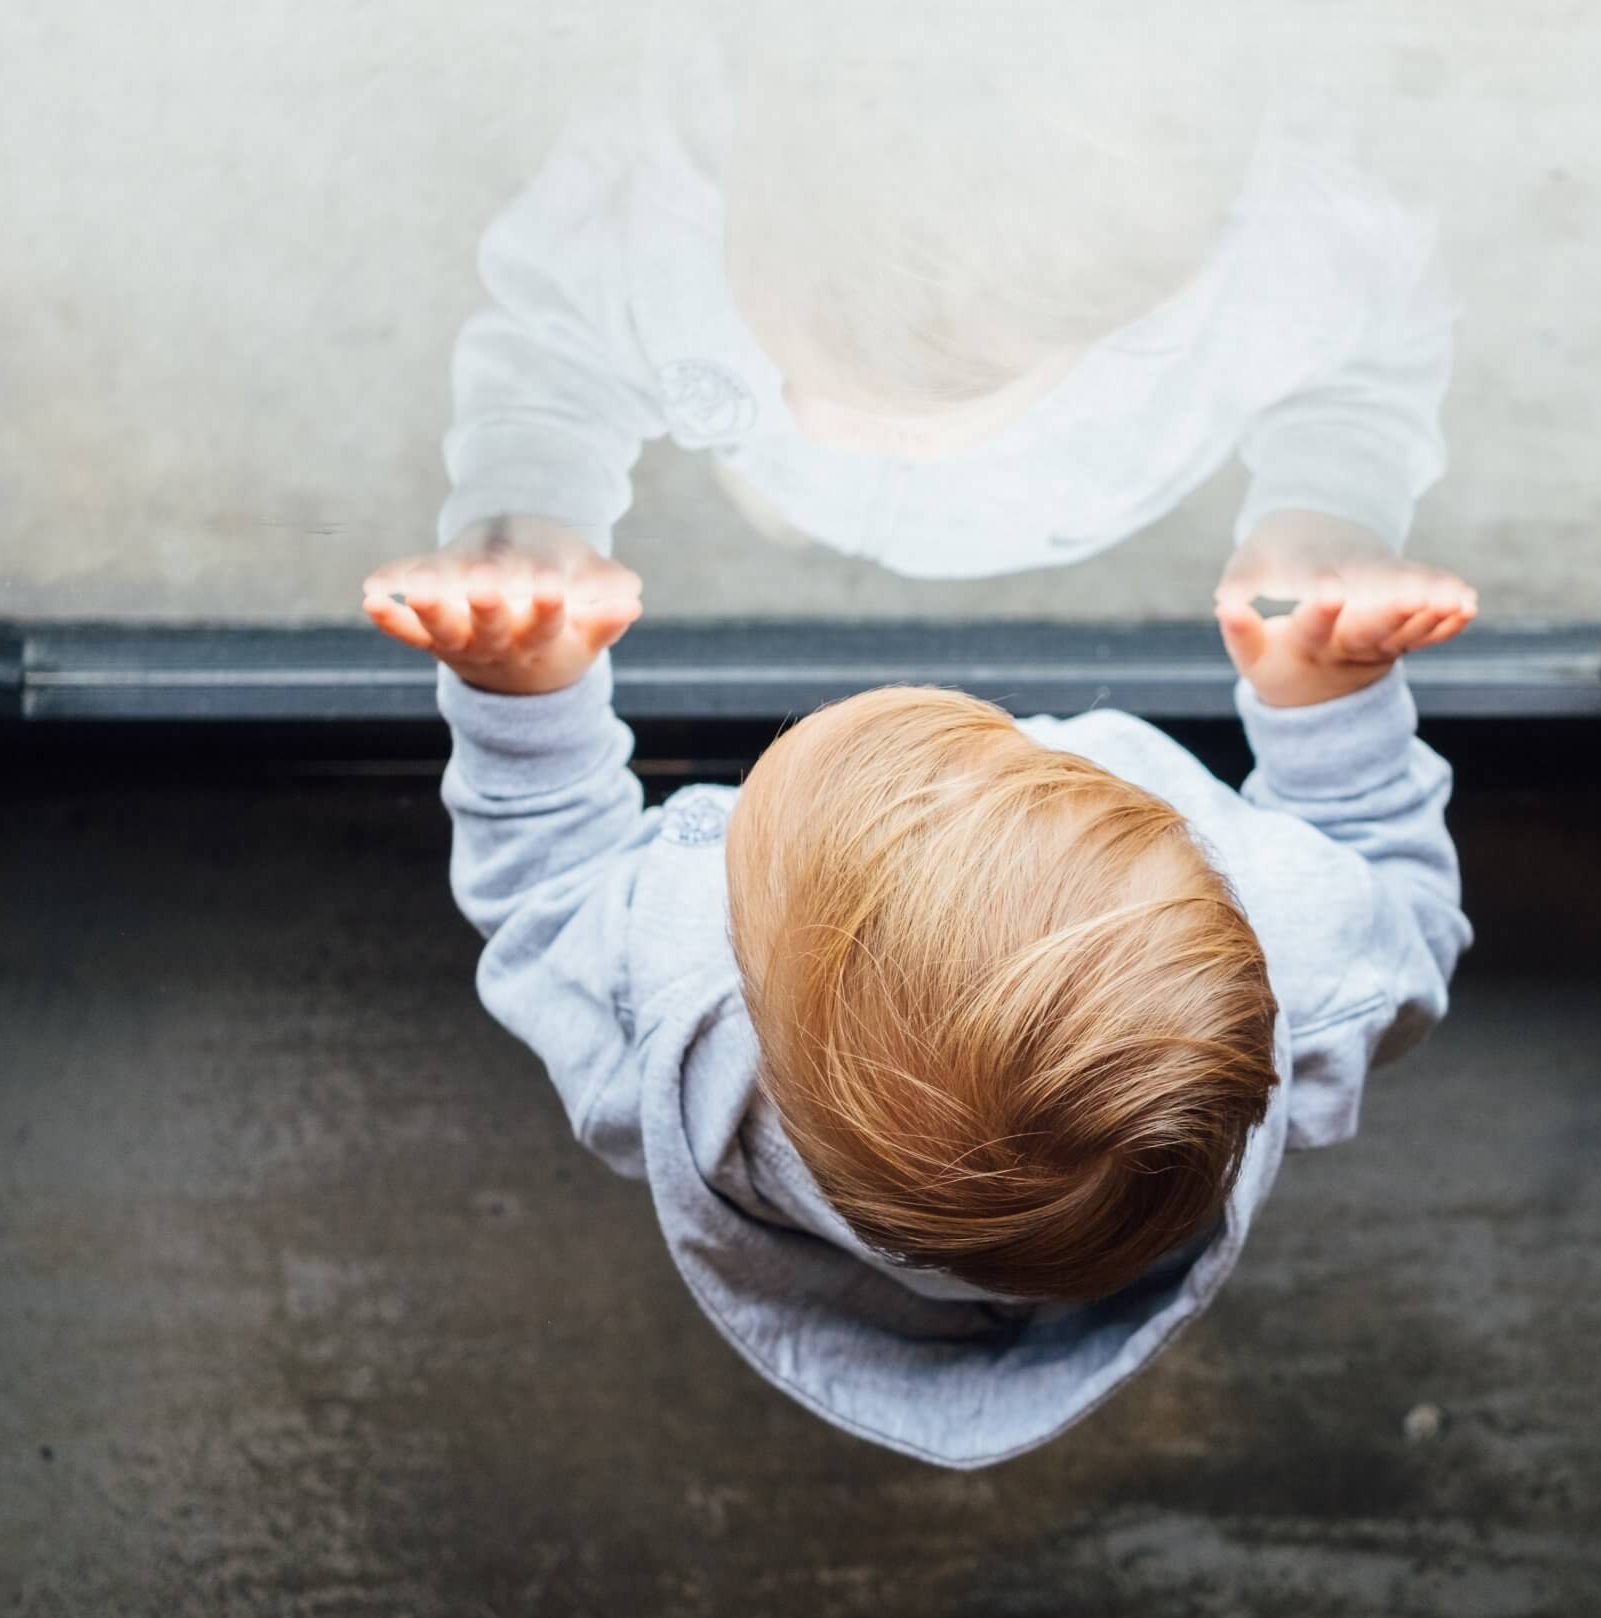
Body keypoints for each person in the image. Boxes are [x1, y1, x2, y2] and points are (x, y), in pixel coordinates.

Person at [356, 552, 1477, 1468]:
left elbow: (551, 896)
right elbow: (1407, 919)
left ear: (745, 962)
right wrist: (1329, 704)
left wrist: (521, 692)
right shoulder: (1300, 941)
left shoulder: (673, 1031)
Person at [432, 3, 1457, 602]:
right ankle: (793, 519)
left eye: (900, 415)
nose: (813, 419)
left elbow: (1362, 378)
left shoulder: (1284, 270)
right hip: (773, 486)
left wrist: (1326, 508)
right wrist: (527, 501)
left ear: (1112, 322)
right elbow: (559, 344)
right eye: (788, 360)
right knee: (783, 486)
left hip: (1067, 515)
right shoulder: (654, 191)